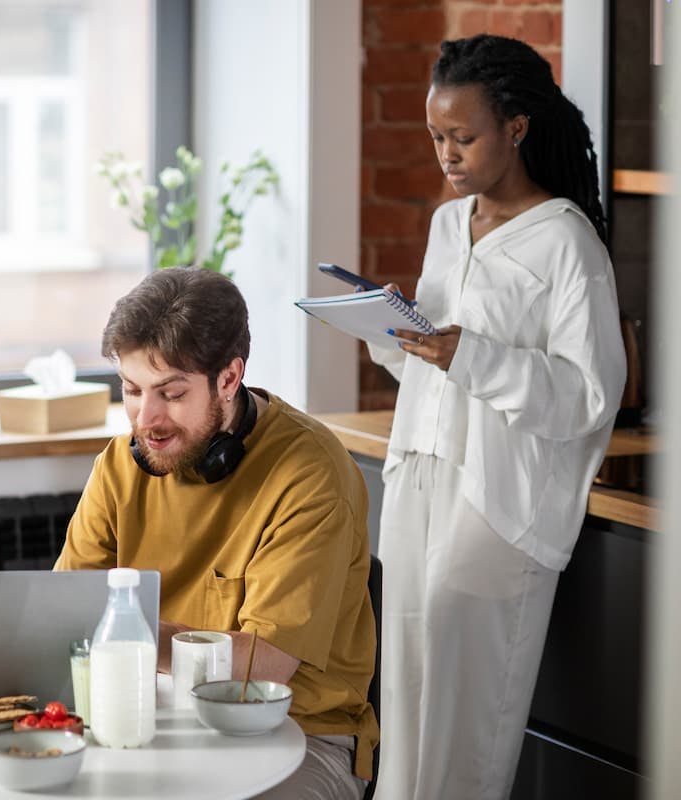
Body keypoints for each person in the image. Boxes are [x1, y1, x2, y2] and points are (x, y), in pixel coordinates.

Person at [366, 35, 627, 800]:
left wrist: (466, 355)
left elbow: (588, 394)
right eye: (436, 137)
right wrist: (391, 335)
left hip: (497, 500)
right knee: (407, 694)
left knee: (463, 716)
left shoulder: (567, 244)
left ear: (515, 128)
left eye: (463, 136)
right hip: (418, 472)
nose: (446, 154)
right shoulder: (450, 225)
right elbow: (438, 353)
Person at [55, 267, 378, 800]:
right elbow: (64, 608)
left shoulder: (311, 472)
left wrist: (120, 632)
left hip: (299, 734)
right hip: (154, 713)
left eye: (172, 393)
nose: (146, 418)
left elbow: (266, 662)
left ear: (229, 379)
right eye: (132, 390)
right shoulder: (120, 464)